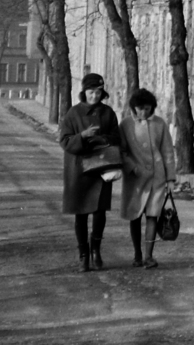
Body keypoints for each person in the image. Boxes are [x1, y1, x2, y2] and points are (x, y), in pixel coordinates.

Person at [58, 73, 121, 272]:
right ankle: (83, 255)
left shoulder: (108, 112)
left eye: (98, 92)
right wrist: (82, 136)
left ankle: (96, 250)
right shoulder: (73, 113)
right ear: (84, 92)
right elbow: (65, 141)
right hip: (79, 169)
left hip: (100, 168)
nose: (94, 96)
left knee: (100, 211)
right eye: (91, 92)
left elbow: (116, 138)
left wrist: (102, 139)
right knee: (81, 213)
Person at [120, 87, 177, 268]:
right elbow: (121, 151)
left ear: (152, 107)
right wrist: (131, 167)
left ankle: (148, 256)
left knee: (153, 216)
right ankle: (137, 254)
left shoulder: (160, 124)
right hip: (135, 179)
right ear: (133, 107)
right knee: (135, 217)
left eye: (147, 108)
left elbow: (168, 152)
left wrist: (170, 179)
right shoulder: (126, 125)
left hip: (156, 178)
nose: (143, 112)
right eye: (139, 108)